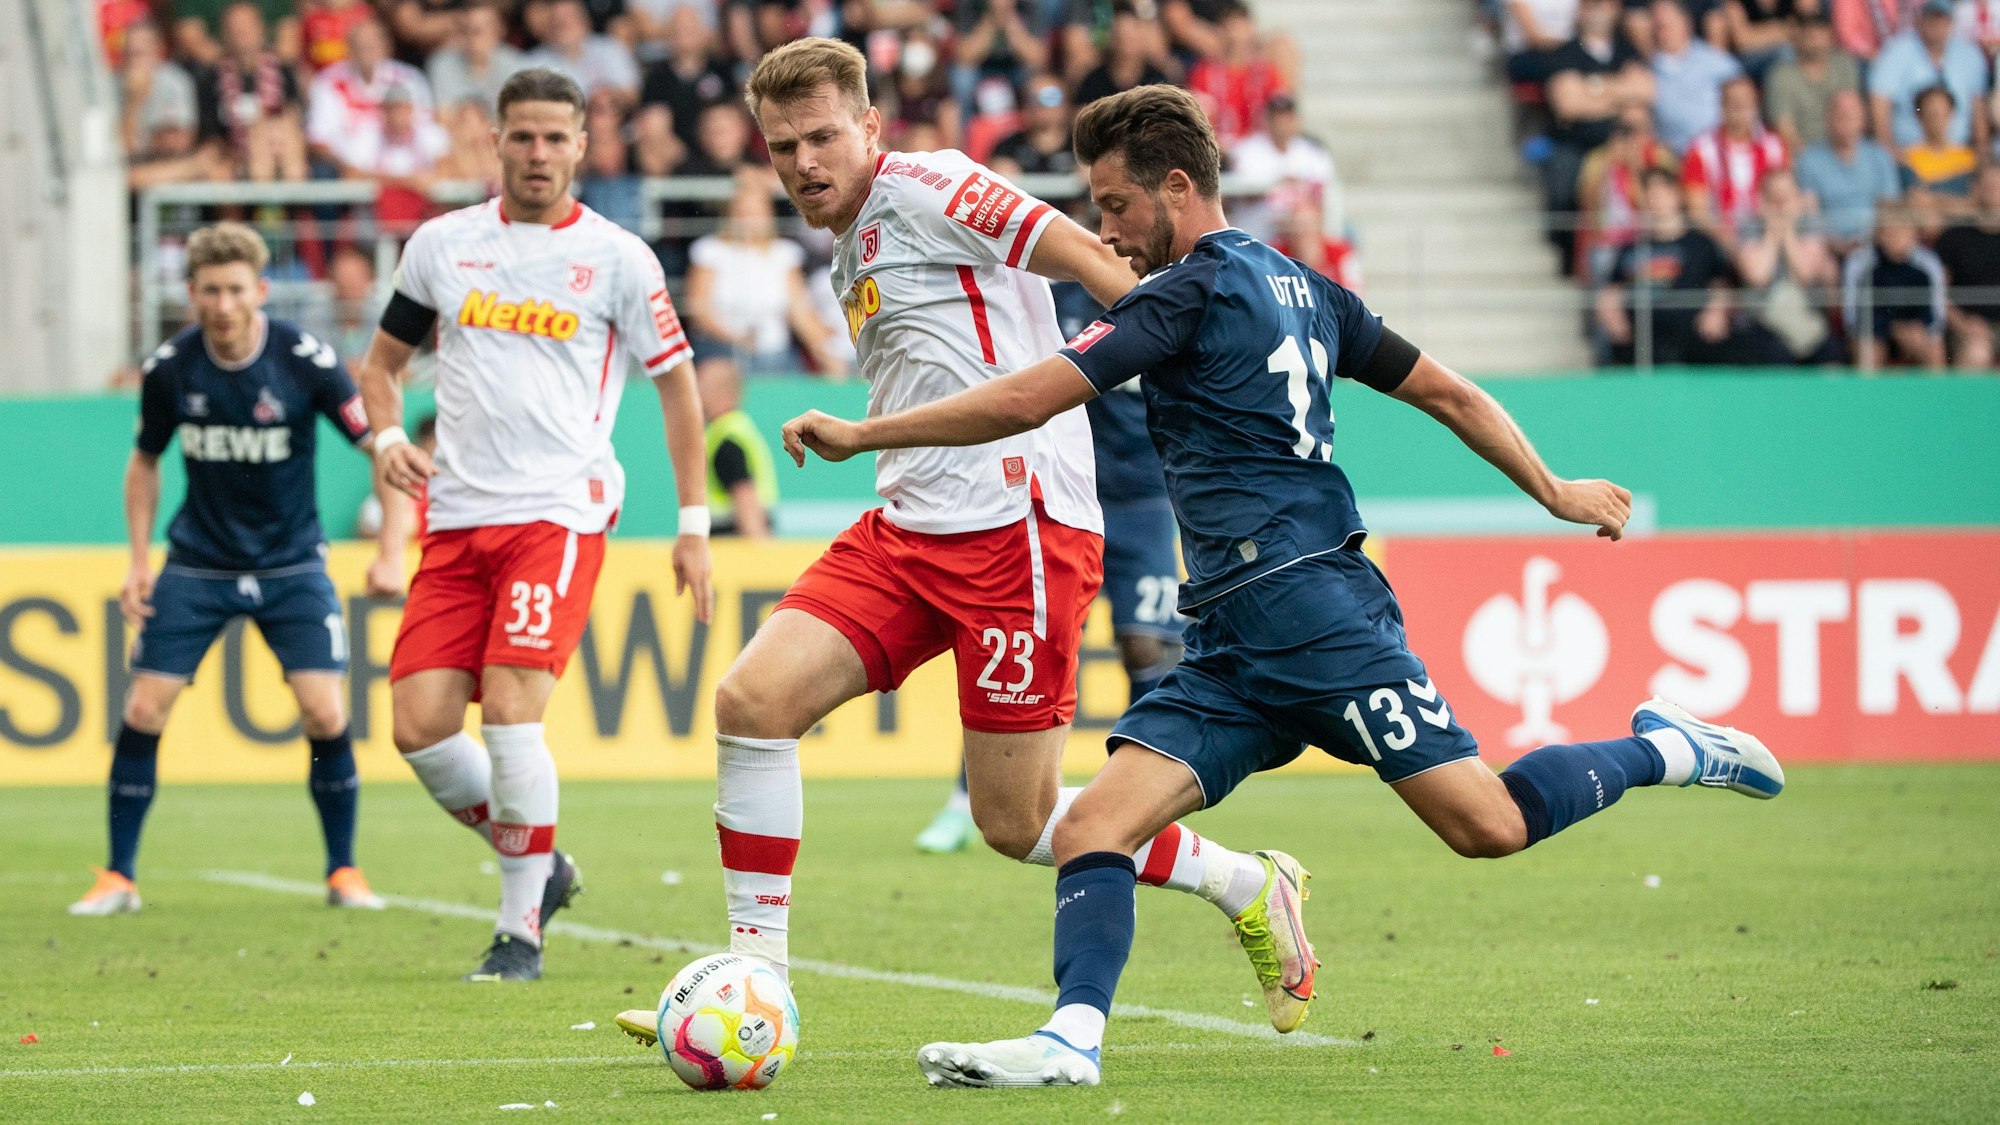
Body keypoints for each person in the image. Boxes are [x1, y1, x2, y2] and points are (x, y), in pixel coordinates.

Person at [779, 83, 1787, 1088]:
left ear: (1178, 188)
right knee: (1093, 823)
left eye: (1116, 206)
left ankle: (1668, 749)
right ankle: (1068, 1042)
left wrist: (865, 432)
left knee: (1487, 826)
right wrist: (1549, 486)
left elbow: (1029, 398)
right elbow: (1443, 387)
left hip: (1314, 611)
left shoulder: (1181, 295)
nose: (1104, 233)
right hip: (1227, 632)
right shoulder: (1305, 287)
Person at [701, 39, 1320, 1037]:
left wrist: (1211, 375)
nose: (805, 161)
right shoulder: (847, 235)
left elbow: (1083, 256)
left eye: (823, 136)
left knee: (1018, 825)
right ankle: (754, 983)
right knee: (752, 700)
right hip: (909, 521)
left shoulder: (930, 185)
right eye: (783, 147)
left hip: (1016, 527)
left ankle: (1244, 882)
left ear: (869, 127)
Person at [353, 67, 714, 982]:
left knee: (513, 714)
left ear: (583, 147)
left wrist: (695, 520)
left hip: (559, 511)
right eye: (523, 136)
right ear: (495, 140)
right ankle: (541, 858)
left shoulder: (619, 258)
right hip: (457, 517)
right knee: (419, 728)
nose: (539, 153)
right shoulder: (442, 246)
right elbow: (380, 365)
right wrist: (390, 433)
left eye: (557, 137)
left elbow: (678, 389)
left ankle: (520, 930)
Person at [70, 222, 401, 918]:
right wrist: (138, 559)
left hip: (291, 561)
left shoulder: (304, 359)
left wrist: (394, 548)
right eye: (210, 290)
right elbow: (144, 461)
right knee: (143, 707)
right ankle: (118, 875)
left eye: (235, 290)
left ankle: (344, 869)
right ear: (190, 292)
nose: (222, 304)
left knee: (325, 709)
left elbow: (379, 448)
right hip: (198, 562)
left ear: (261, 289)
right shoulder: (171, 367)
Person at [1596, 167, 1741, 364]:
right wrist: (1612, 317)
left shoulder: (1701, 243)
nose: (1655, 199)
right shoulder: (1631, 246)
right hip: (1642, 340)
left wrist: (1716, 312)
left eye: (1661, 191)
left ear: (1677, 196)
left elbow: (1721, 284)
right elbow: (1612, 291)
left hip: (1694, 340)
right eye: (1649, 193)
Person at [1681, 75, 1790, 247]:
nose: (1741, 107)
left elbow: (1786, 194)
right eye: (1734, 102)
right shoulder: (1702, 149)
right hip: (1720, 238)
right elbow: (1697, 210)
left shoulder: (1774, 146)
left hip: (1767, 233)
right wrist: (1726, 239)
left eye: (1747, 102)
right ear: (1722, 106)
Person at [1868, 0, 1992, 151]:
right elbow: (1879, 101)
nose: (1937, 26)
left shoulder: (1969, 54)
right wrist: (1888, 151)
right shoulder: (1897, 50)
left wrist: (1982, 151)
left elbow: (1978, 109)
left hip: (1959, 153)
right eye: (1931, 19)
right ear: (1920, 22)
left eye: (1942, 20)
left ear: (1951, 23)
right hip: (1910, 154)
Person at [1841, 204, 1950, 369]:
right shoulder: (1860, 263)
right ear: (1878, 235)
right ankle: (1867, 395)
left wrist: (1918, 328)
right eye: (1889, 231)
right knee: (1868, 349)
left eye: (1902, 230)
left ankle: (1937, 394)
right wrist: (1891, 329)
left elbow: (1935, 313)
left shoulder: (1927, 265)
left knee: (1933, 346)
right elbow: (1853, 315)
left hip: (1913, 330)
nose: (1896, 236)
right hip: (1874, 331)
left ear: (1914, 233)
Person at [1795, 89, 1902, 252]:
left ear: (1863, 120)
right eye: (1840, 115)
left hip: (1876, 244)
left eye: (1852, 115)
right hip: (1826, 246)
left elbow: (1888, 208)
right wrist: (1836, 244)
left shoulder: (1880, 157)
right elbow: (1809, 213)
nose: (1846, 121)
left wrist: (1869, 240)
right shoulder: (1809, 159)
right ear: (1828, 118)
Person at [1649, 0, 1745, 153]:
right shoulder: (1647, 71)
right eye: (1658, 26)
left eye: (1667, 25)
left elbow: (1743, 95)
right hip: (1679, 157)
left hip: (1726, 150)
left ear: (1687, 23)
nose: (1663, 32)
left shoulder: (1715, 61)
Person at [1763, 12, 1862, 153]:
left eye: (1822, 36)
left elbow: (1853, 113)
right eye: (1810, 37)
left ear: (1830, 37)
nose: (1817, 43)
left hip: (1845, 148)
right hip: (1804, 153)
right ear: (1797, 39)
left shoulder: (1844, 64)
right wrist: (1813, 160)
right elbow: (1785, 130)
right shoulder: (1781, 76)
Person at [1935, 164, 2000, 369]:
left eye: (1998, 185)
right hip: (1968, 329)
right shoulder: (1953, 236)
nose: (1993, 189)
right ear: (1975, 188)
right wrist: (1962, 324)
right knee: (1976, 353)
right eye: (1987, 184)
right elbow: (1938, 292)